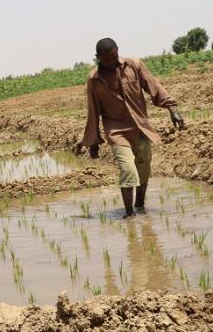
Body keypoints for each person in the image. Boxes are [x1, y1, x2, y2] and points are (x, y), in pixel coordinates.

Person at [74, 38, 185, 217]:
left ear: (118, 51)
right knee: (127, 169)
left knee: (144, 168)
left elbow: (155, 87)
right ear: (98, 58)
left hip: (140, 126)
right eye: (106, 59)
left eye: (114, 56)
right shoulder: (94, 79)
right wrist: (93, 141)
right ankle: (129, 214)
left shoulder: (134, 66)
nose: (111, 62)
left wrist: (172, 109)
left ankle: (139, 205)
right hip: (116, 130)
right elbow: (93, 110)